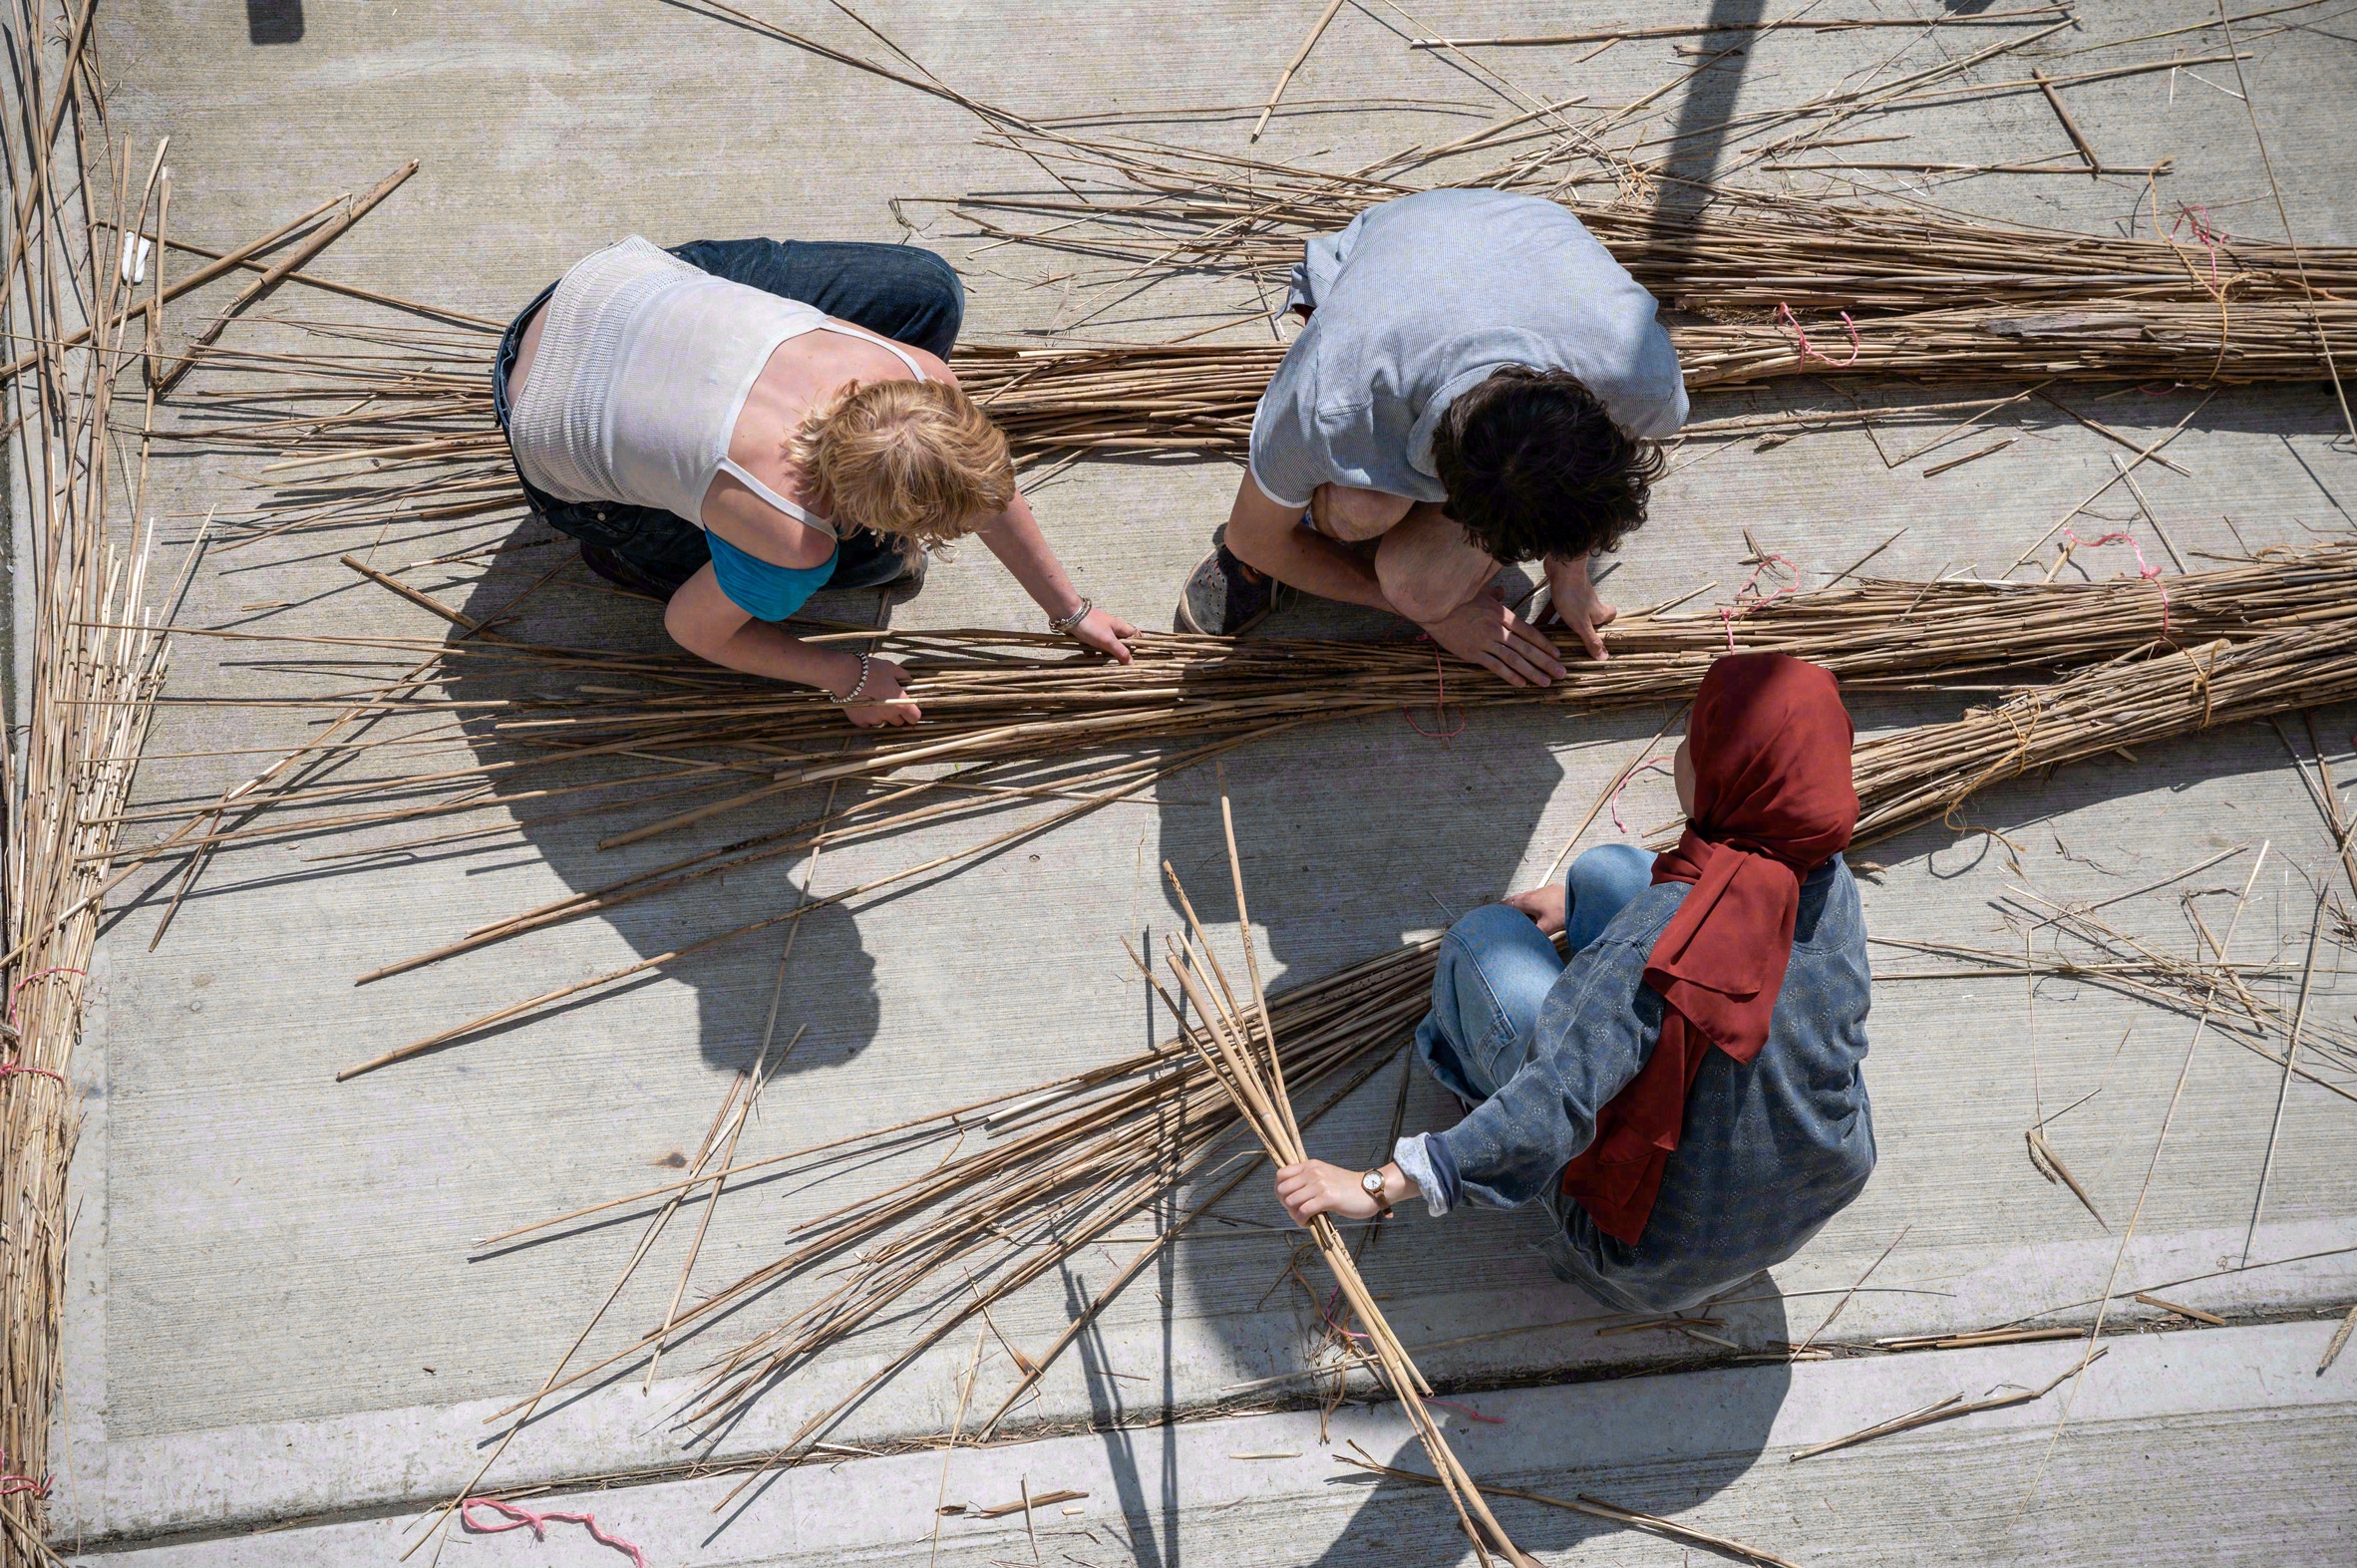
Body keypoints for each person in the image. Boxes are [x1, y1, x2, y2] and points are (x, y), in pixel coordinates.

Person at [1274, 653, 1872, 1313]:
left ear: (1726, 777)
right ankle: (1589, 909)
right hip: (1808, 1192)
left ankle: (1467, 1070)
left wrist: (1377, 1184)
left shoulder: (1660, 934)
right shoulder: (1824, 872)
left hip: (1644, 1257)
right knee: (1606, 873)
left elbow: (1554, 1099)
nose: (1682, 752)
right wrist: (1607, 919)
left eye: (1697, 742)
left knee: (1481, 944)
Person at [494, 236, 1137, 728]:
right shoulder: (791, 531)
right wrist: (846, 676)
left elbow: (983, 492)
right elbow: (691, 629)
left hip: (609, 286)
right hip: (546, 417)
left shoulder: (913, 370)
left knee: (928, 291)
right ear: (863, 503)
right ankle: (627, 554)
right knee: (855, 569)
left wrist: (1068, 609)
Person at [1177, 188, 1686, 687]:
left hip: (1519, 232)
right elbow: (1252, 537)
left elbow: (1579, 475)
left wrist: (1570, 575)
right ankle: (1310, 515)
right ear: (1451, 496)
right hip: (1400, 247)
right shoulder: (1334, 401)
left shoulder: (1636, 375)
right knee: (1368, 513)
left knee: (1421, 582)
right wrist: (1431, 616)